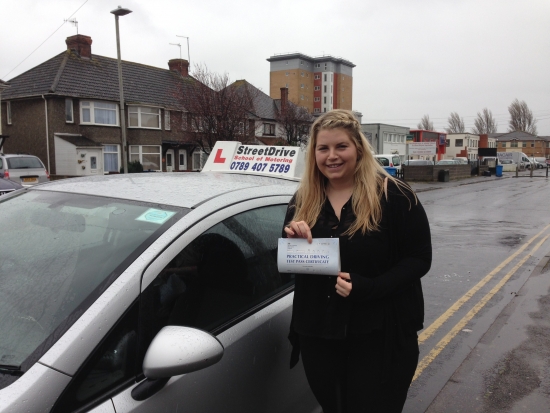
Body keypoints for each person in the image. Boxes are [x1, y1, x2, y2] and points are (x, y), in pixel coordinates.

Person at [282, 109, 432, 413]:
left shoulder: (395, 196)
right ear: (314, 153)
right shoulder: (303, 199)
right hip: (320, 334)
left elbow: (419, 259)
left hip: (380, 334)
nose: (331, 156)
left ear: (359, 149)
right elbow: (290, 262)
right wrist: (293, 241)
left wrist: (369, 287)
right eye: (323, 148)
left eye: (341, 147)